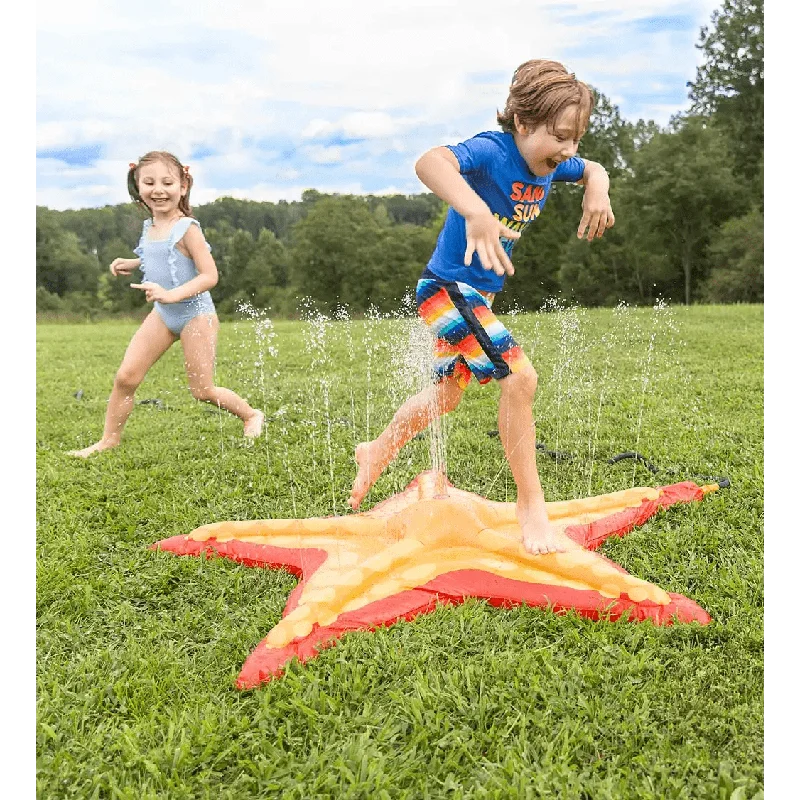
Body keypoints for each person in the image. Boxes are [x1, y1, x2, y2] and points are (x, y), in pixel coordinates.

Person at [348, 59, 615, 555]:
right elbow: (430, 161)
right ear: (522, 123)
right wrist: (474, 210)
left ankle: (377, 449)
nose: (568, 150)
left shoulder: (555, 161)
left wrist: (596, 188)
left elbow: (592, 168)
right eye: (559, 136)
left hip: (471, 298)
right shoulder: (493, 150)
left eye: (575, 139)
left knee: (447, 396)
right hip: (447, 291)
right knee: (520, 378)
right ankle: (531, 508)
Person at [68, 151, 264, 458]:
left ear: (183, 186)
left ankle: (251, 415)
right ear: (138, 187)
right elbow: (160, 256)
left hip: (195, 316)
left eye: (167, 182)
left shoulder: (188, 228)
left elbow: (210, 275)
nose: (158, 189)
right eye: (149, 182)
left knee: (202, 391)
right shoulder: (150, 226)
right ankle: (109, 440)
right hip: (163, 314)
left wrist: (172, 294)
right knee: (125, 378)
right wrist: (132, 262)